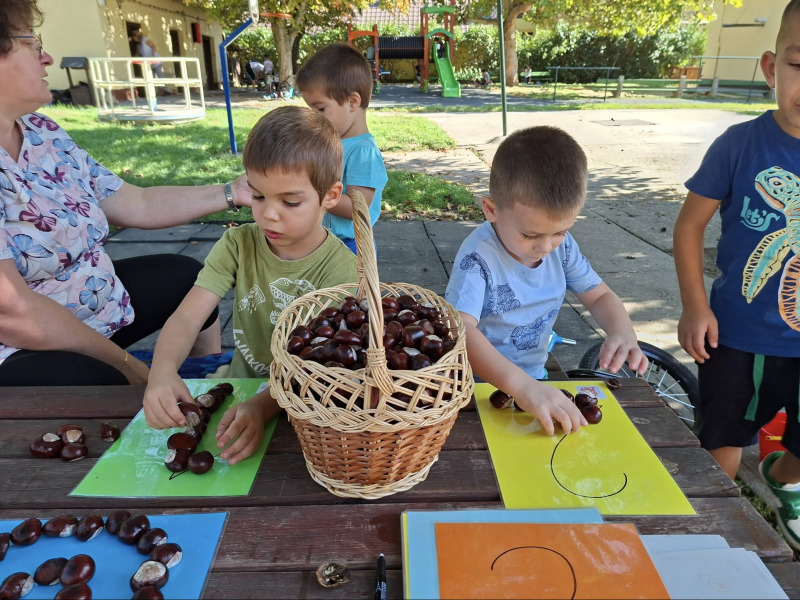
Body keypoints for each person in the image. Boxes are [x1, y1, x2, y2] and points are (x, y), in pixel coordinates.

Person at [0, 0, 251, 387]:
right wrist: (129, 367)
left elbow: (136, 203)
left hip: (98, 309)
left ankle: (208, 378)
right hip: (24, 346)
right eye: (33, 44)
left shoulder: (41, 131)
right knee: (100, 385)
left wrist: (234, 191)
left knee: (186, 276)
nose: (47, 57)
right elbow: (14, 313)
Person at [143, 106, 358, 464]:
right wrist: (162, 372)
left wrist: (263, 406)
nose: (268, 214)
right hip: (239, 388)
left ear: (330, 196)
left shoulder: (341, 269)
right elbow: (187, 318)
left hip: (306, 406)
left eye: (290, 202)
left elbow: (323, 367)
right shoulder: (238, 245)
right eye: (258, 196)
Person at [673, 0, 800, 548]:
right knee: (723, 441)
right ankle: (714, 532)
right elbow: (689, 226)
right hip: (738, 337)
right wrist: (695, 304)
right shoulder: (738, 145)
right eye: (799, 64)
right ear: (772, 67)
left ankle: (782, 478)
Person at [445, 126, 648, 436]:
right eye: (530, 235)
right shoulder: (478, 259)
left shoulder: (561, 249)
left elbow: (599, 296)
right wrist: (521, 386)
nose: (546, 247)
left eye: (561, 232)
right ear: (491, 209)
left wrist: (622, 330)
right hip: (473, 392)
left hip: (533, 384)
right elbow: (460, 331)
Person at [296, 43, 388, 255]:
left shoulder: (363, 152)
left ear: (352, 102)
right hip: (321, 241)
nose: (314, 117)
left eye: (320, 109)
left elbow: (356, 208)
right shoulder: (327, 141)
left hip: (351, 246)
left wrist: (309, 194)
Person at [130, 27, 168, 96]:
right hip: (149, 63)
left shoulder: (145, 40)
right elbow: (137, 54)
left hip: (156, 61)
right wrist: (131, 60)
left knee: (160, 76)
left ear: (136, 36)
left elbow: (153, 46)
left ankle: (166, 91)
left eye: (134, 37)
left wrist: (153, 56)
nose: (133, 39)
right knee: (151, 78)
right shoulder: (138, 46)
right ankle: (155, 93)